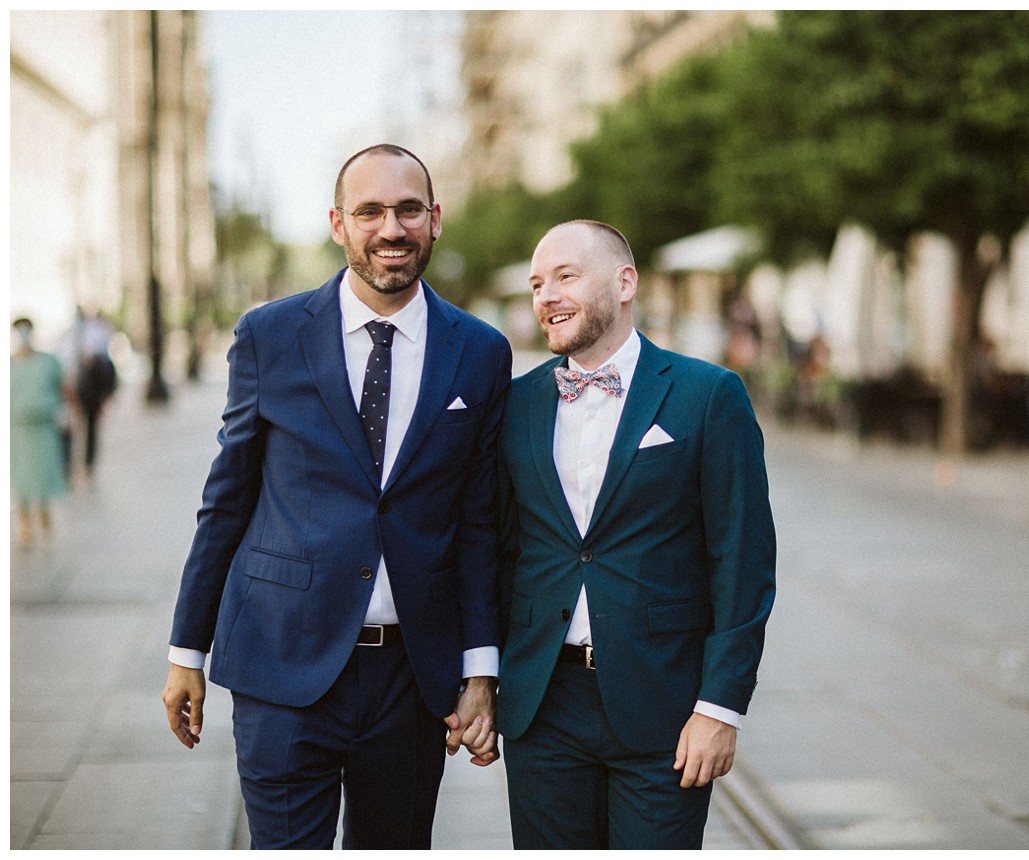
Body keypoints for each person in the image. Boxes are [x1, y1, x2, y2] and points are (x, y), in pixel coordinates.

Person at [162, 144, 512, 849]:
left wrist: (480, 671)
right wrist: (185, 650)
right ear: (337, 224)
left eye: (409, 209)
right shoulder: (270, 336)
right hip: (280, 662)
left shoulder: (480, 350)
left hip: (412, 679)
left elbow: (481, 522)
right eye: (370, 211)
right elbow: (227, 498)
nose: (392, 228)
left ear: (435, 219)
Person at [495, 220, 776, 849]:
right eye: (538, 284)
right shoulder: (516, 405)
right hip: (542, 706)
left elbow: (742, 559)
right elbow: (498, 549)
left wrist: (720, 706)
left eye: (566, 276)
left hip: (665, 708)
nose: (547, 296)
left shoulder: (708, 395)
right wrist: (483, 677)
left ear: (625, 283)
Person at [11, 317, 69, 547]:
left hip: (43, 428)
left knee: (44, 475)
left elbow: (63, 387)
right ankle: (24, 524)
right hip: (17, 431)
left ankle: (44, 516)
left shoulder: (48, 362)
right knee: (20, 479)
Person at [60, 306, 116, 481]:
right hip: (71, 387)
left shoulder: (97, 332)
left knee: (90, 426)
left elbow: (102, 362)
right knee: (67, 426)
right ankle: (68, 464)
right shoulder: (67, 336)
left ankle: (88, 464)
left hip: (88, 389)